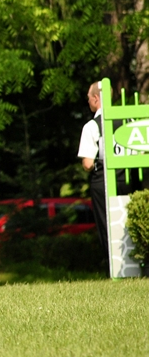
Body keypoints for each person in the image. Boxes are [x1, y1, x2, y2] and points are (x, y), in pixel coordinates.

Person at [78, 81, 109, 258]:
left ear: (96, 98)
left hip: (103, 179)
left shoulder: (92, 126)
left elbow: (88, 164)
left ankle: (113, 266)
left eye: (89, 98)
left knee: (106, 225)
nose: (88, 102)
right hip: (128, 178)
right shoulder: (128, 120)